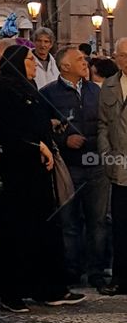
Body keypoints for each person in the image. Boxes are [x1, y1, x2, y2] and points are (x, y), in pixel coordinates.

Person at [0, 45, 85, 312]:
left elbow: (34, 119)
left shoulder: (28, 87)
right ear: (17, 62)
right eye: (29, 59)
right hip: (16, 171)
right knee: (16, 230)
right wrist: (36, 145)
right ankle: (11, 291)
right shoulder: (1, 91)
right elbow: (6, 130)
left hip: (37, 172)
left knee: (44, 228)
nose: (33, 63)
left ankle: (48, 288)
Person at [41, 47, 109, 289]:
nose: (85, 62)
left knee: (98, 221)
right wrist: (63, 141)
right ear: (65, 66)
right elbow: (41, 130)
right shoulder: (48, 94)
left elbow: (105, 123)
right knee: (69, 221)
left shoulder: (96, 91)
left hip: (97, 165)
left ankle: (97, 271)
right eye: (79, 59)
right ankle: (72, 270)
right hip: (68, 167)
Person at [97, 38, 127, 296]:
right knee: (120, 224)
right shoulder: (109, 85)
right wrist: (106, 153)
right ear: (116, 58)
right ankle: (120, 277)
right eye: (124, 56)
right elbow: (103, 124)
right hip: (119, 166)